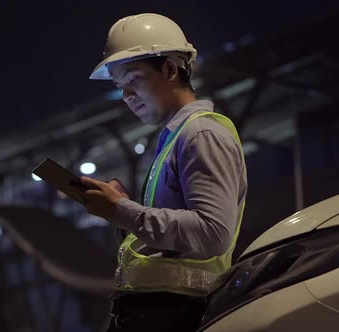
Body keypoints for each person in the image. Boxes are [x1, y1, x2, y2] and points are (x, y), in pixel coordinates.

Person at [73, 13, 248, 331]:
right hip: (160, 311)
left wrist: (122, 210)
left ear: (169, 69)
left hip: (177, 313)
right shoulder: (177, 137)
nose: (126, 96)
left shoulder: (201, 134)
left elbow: (212, 233)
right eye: (119, 87)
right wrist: (122, 214)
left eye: (133, 80)